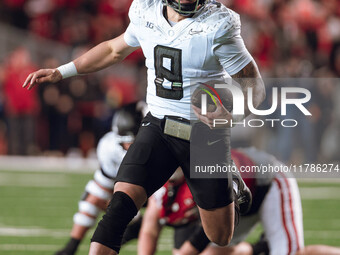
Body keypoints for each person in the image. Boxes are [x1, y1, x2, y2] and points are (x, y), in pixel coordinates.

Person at [23, 0, 265, 254]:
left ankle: (232, 185)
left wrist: (231, 117)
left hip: (204, 133)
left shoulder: (218, 23)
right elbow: (113, 50)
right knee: (118, 208)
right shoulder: (145, 10)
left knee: (220, 235)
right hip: (159, 126)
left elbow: (254, 86)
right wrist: (62, 72)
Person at [56, 102, 146, 255]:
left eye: (133, 141)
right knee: (92, 196)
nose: (129, 146)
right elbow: (101, 189)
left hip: (166, 195)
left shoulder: (159, 145)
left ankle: (140, 226)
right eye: (126, 142)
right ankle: (71, 247)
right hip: (137, 194)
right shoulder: (110, 147)